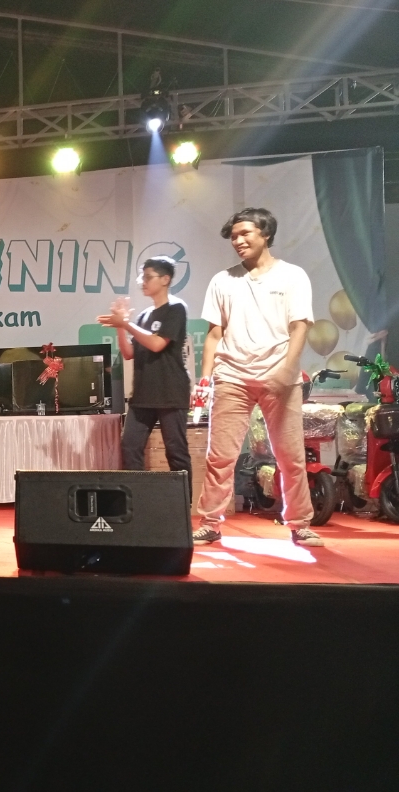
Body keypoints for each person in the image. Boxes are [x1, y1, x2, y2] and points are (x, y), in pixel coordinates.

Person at [194, 208, 320, 547]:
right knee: (220, 456)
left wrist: (287, 369)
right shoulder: (223, 280)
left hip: (280, 376)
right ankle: (210, 523)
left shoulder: (292, 276)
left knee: (290, 456)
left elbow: (300, 327)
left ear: (266, 234)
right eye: (234, 236)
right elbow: (214, 334)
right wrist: (204, 379)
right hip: (232, 376)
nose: (238, 241)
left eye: (245, 233)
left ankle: (300, 524)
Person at [98, 256, 192, 488]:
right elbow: (129, 353)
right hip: (142, 395)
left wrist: (126, 324)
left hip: (170, 393)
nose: (142, 281)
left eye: (148, 276)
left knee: (176, 451)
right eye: (142, 276)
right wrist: (121, 327)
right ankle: (137, 500)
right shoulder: (144, 315)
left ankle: (182, 504)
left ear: (165, 279)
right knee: (130, 446)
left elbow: (157, 344)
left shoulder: (176, 308)